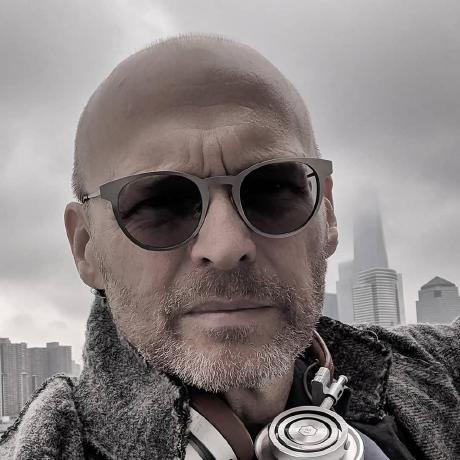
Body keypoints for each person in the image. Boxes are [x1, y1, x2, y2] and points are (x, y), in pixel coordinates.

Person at [0, 34, 458, 460]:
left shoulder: (439, 375)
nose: (226, 246)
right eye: (160, 203)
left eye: (272, 189)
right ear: (86, 248)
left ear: (328, 214)